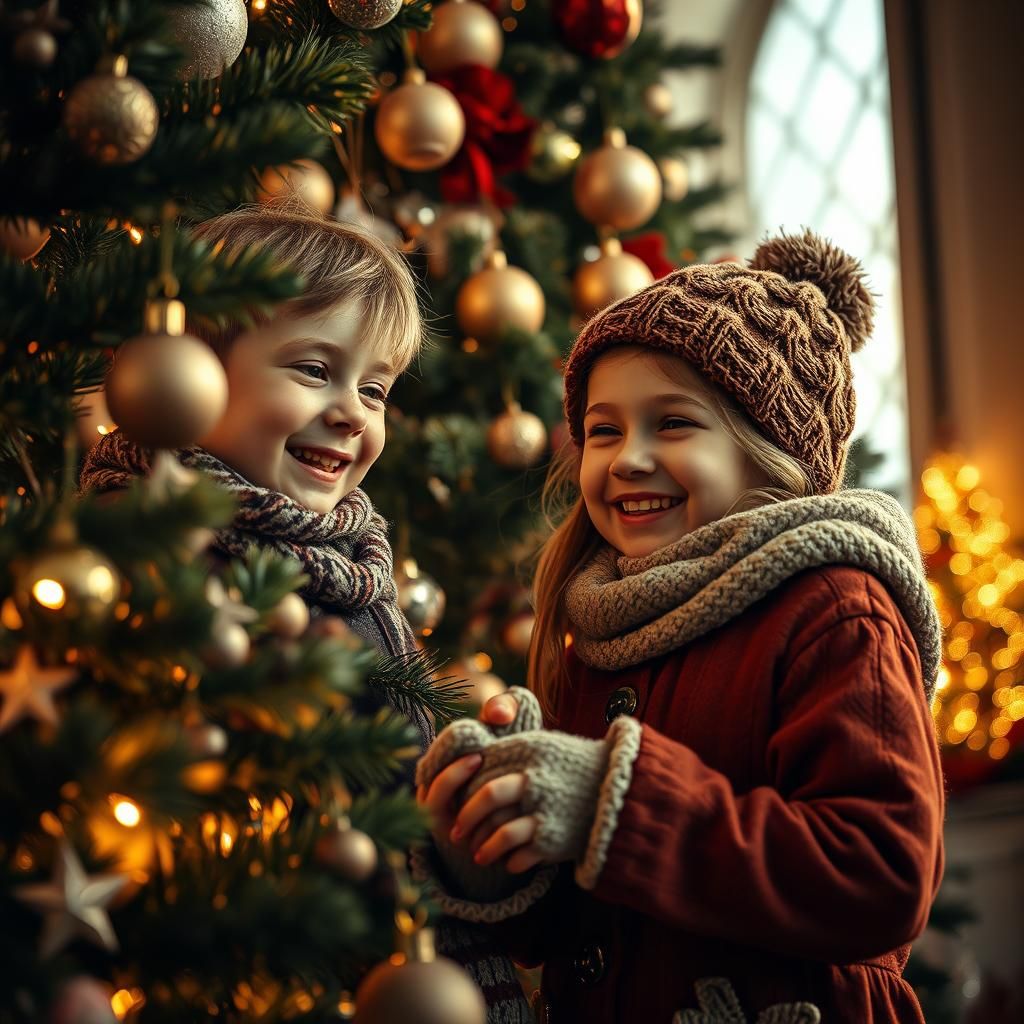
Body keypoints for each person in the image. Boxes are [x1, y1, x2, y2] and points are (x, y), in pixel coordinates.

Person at [416, 230, 945, 1023]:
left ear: (770, 456)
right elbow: (584, 921)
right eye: (603, 430)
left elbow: (881, 876)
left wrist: (612, 801)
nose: (627, 458)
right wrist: (494, 846)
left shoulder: (835, 608)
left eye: (672, 424)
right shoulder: (600, 627)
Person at [79, 204, 533, 1023]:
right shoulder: (155, 559)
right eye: (314, 370)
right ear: (198, 369)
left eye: (375, 389)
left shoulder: (352, 568)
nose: (354, 413)